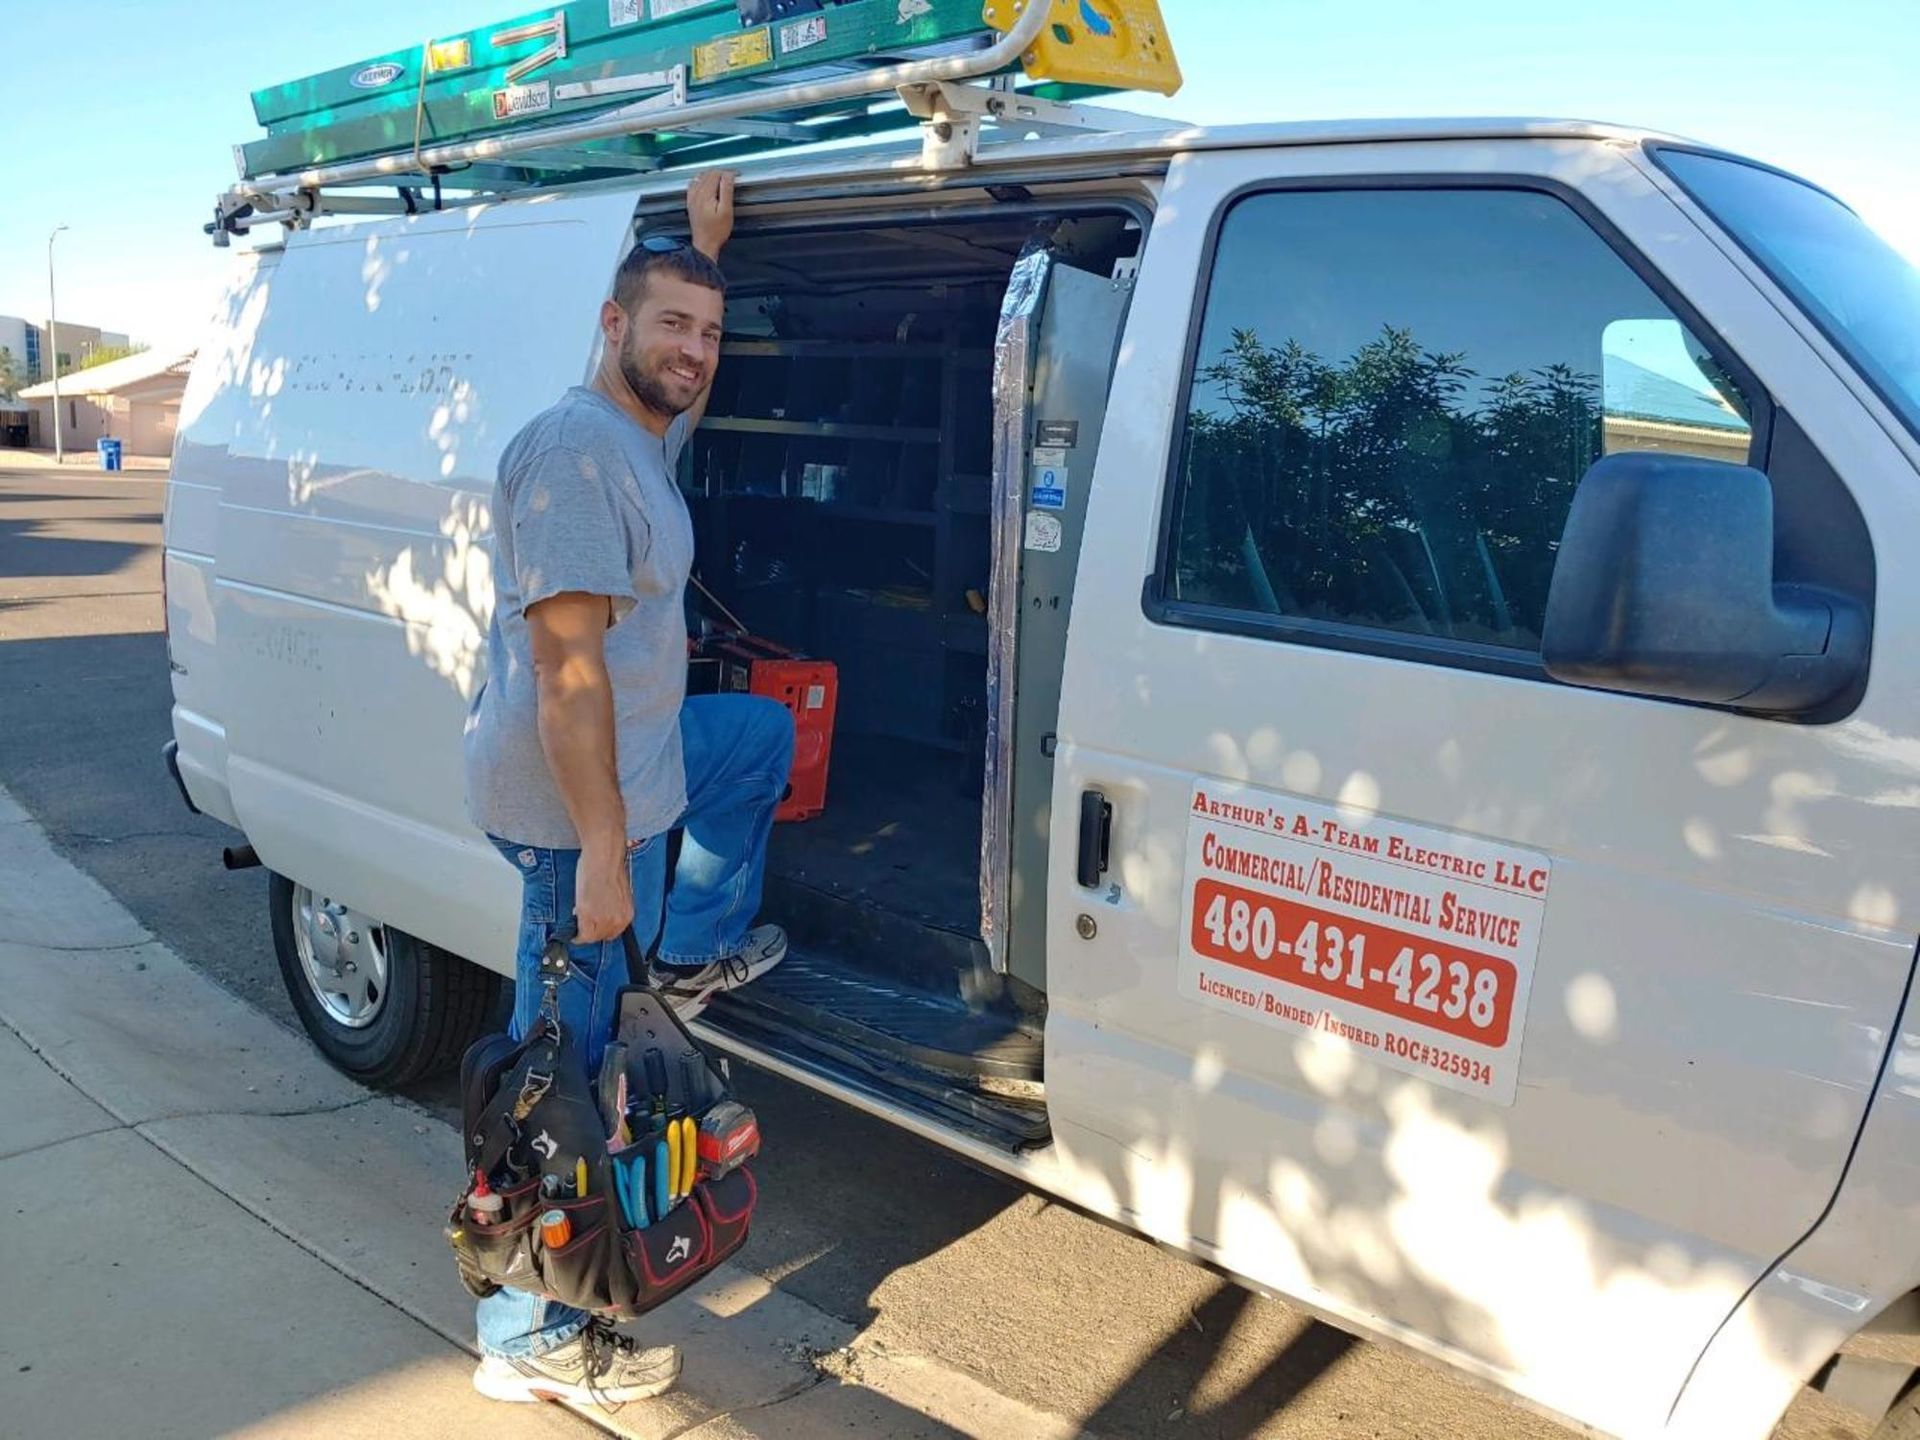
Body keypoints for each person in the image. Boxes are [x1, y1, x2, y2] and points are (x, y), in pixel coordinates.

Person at [462, 170, 792, 1406]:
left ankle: (685, 951)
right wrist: (602, 854)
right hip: (572, 808)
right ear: (610, 326)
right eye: (670, 326)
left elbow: (671, 427)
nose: (695, 352)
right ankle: (528, 1337)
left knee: (754, 737)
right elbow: (566, 672)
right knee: (561, 1070)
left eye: (708, 333)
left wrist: (707, 253)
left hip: (643, 769)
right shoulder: (571, 459)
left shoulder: (639, 440)